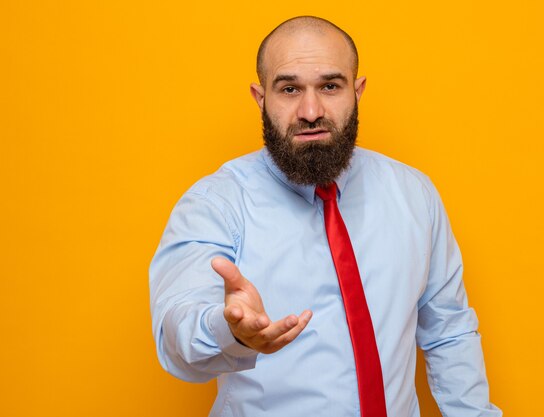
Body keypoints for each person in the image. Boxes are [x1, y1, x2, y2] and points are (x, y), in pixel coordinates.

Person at [149, 15, 502, 417]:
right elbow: (175, 332)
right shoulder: (216, 203)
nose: (311, 110)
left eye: (330, 87)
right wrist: (230, 331)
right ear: (261, 97)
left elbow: (449, 332)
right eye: (289, 89)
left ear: (357, 91)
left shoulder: (413, 194)